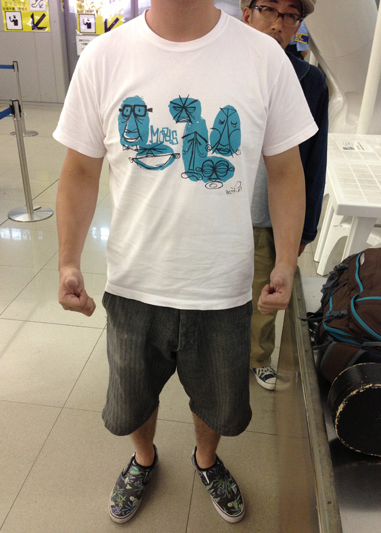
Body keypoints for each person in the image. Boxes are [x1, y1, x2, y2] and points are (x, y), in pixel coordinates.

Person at [53, 0, 317, 525]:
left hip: (221, 286)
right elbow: (80, 171)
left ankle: (206, 459)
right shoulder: (104, 57)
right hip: (134, 283)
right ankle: (143, 459)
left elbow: (287, 171)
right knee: (132, 400)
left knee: (218, 403)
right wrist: (67, 263)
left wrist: (286, 261)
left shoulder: (264, 57)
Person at [241, 0, 328, 390]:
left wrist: (305, 228)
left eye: (290, 15)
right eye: (269, 10)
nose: (278, 23)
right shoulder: (220, 69)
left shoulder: (309, 81)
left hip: (267, 214)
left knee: (265, 294)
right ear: (247, 13)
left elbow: (314, 158)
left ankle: (257, 357)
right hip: (218, 208)